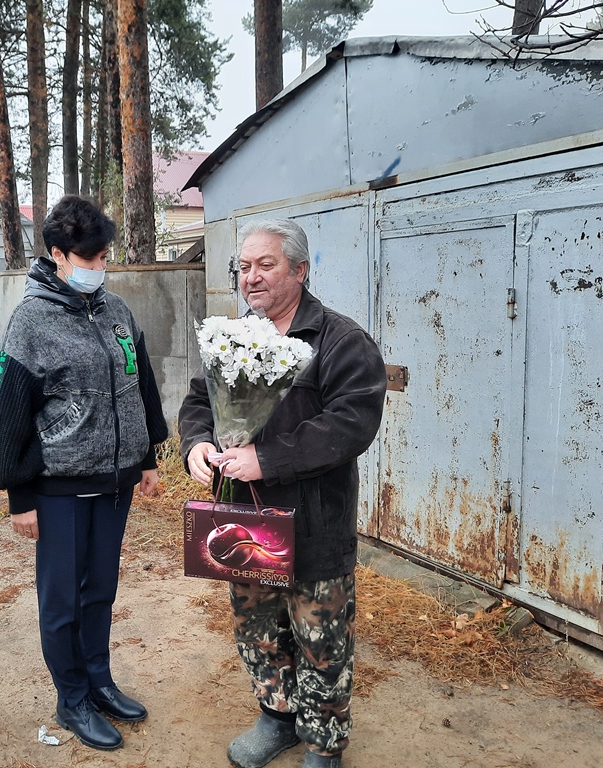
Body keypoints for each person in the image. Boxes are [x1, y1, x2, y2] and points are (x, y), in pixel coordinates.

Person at [178, 218, 386, 768]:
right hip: (246, 521)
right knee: (258, 627)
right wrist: (196, 444)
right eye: (243, 267)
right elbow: (199, 401)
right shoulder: (232, 337)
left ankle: (323, 744)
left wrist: (266, 459)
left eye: (265, 265)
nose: (251, 278)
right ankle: (277, 719)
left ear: (299, 268)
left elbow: (351, 423)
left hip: (315, 522)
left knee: (321, 640)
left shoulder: (341, 341)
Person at [0, 195, 169, 751]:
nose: (99, 266)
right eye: (88, 258)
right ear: (58, 255)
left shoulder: (115, 311)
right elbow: (10, 411)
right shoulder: (31, 321)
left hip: (114, 484)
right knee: (63, 598)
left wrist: (146, 459)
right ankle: (71, 700)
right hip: (59, 487)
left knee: (101, 590)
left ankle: (99, 682)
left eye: (103, 255)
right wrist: (20, 495)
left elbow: (140, 388)